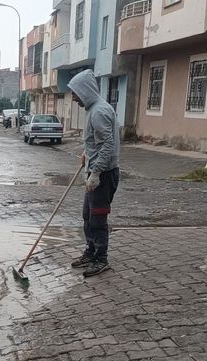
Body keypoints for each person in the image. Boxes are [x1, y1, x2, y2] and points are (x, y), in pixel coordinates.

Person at [67, 70, 120, 278]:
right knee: (87, 216)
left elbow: (108, 144)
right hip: (95, 169)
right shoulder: (92, 109)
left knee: (98, 219)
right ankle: (90, 252)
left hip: (104, 175)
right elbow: (96, 142)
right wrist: (86, 154)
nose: (73, 97)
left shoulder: (99, 112)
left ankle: (101, 259)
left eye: (75, 93)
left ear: (85, 91)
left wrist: (96, 172)